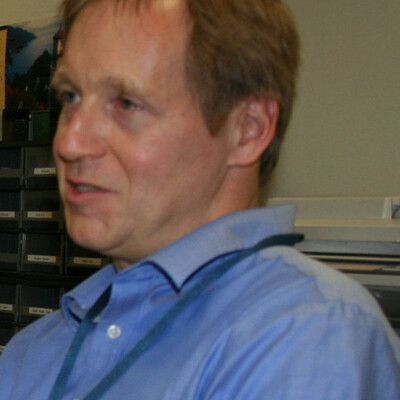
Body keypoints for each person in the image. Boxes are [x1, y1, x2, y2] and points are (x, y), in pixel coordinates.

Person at [1, 0, 399, 398]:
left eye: (126, 104)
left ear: (248, 128)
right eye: (70, 97)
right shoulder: (34, 351)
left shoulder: (306, 335)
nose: (69, 142)